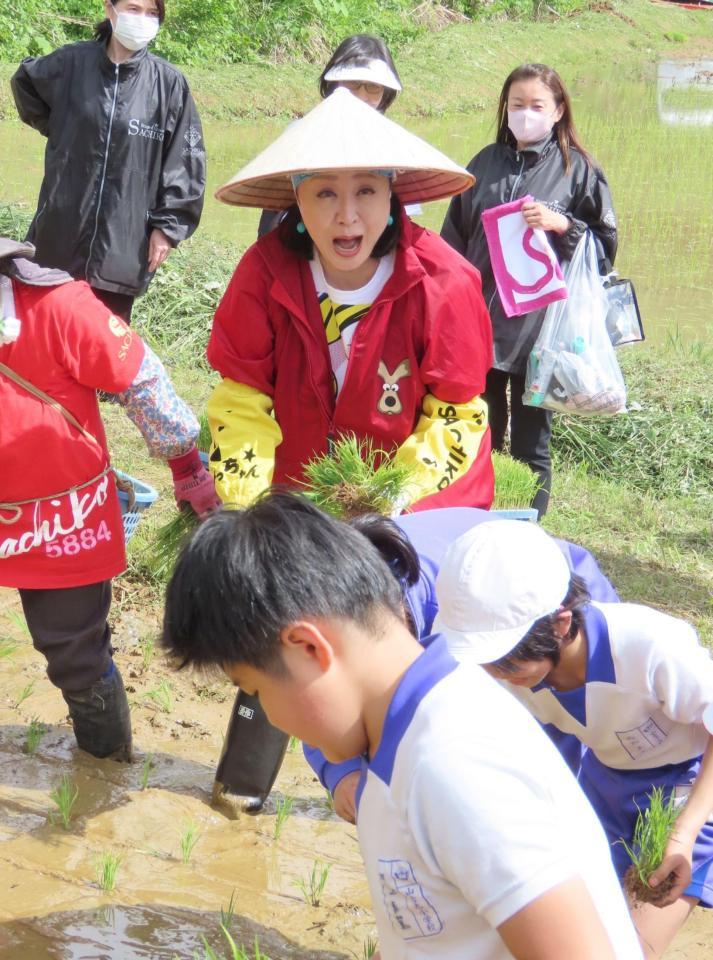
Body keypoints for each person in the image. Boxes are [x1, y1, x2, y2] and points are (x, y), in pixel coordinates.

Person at [160, 491, 642, 960]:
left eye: (255, 690)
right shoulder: (402, 745)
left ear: (308, 647)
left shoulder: (454, 763)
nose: (269, 716)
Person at [432, 519, 713, 960]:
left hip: (692, 792)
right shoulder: (514, 678)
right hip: (604, 788)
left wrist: (683, 832)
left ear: (561, 624)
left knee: (630, 949)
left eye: (506, 662)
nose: (495, 677)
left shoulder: (649, 646)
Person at [208, 88, 494, 515]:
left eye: (365, 191)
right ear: (297, 199)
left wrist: (393, 497)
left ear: (391, 195)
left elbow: (456, 411)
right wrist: (249, 508)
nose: (347, 215)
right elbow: (242, 398)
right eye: (324, 193)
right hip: (300, 504)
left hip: (421, 507)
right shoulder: (264, 273)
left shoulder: (443, 281)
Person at [0, 237, 219, 761]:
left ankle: (104, 763)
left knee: (73, 650)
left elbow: (141, 380)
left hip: (57, 514)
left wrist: (186, 466)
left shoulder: (59, 307)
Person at [305, 506, 619, 823]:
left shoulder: (468, 617)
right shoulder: (327, 609)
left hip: (552, 604)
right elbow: (310, 696)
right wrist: (342, 773)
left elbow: (551, 737)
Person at [441, 63, 617, 517]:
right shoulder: (484, 164)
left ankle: (526, 529)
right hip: (480, 323)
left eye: (537, 105)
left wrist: (564, 225)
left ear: (558, 111)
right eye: (516, 105)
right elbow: (452, 242)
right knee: (479, 427)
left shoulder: (578, 171)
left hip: (541, 332)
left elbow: (604, 250)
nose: (525, 114)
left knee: (531, 437)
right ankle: (475, 515)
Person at [11, 0, 206, 322]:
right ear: (109, 9)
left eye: (152, 13)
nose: (143, 19)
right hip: (60, 231)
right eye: (133, 9)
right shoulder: (71, 63)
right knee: (49, 333)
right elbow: (25, 82)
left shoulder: (168, 83)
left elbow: (185, 162)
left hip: (124, 243)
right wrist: (59, 128)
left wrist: (167, 228)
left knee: (105, 344)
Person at [257, 34, 405, 239]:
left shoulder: (395, 144)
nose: (362, 95)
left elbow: (402, 216)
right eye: (353, 83)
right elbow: (274, 210)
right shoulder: (300, 133)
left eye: (373, 87)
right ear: (335, 83)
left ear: (384, 93)